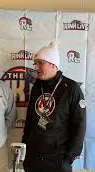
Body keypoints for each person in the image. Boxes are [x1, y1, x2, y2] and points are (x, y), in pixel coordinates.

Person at [22, 42, 86, 172]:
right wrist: (25, 147)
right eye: (35, 63)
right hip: (33, 157)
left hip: (58, 160)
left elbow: (80, 125)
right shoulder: (37, 86)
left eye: (40, 63)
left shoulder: (71, 89)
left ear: (53, 64)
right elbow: (30, 119)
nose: (36, 67)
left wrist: (69, 158)